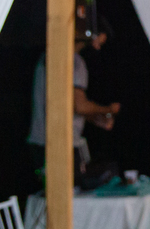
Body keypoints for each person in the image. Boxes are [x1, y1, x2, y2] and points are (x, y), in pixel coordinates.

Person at [28, 19, 120, 182]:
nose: (98, 48)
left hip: (38, 141)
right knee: (75, 195)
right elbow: (80, 106)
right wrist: (109, 110)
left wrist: (94, 118)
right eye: (99, 41)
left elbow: (62, 104)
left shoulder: (47, 57)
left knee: (49, 195)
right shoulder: (75, 62)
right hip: (62, 142)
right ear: (90, 35)